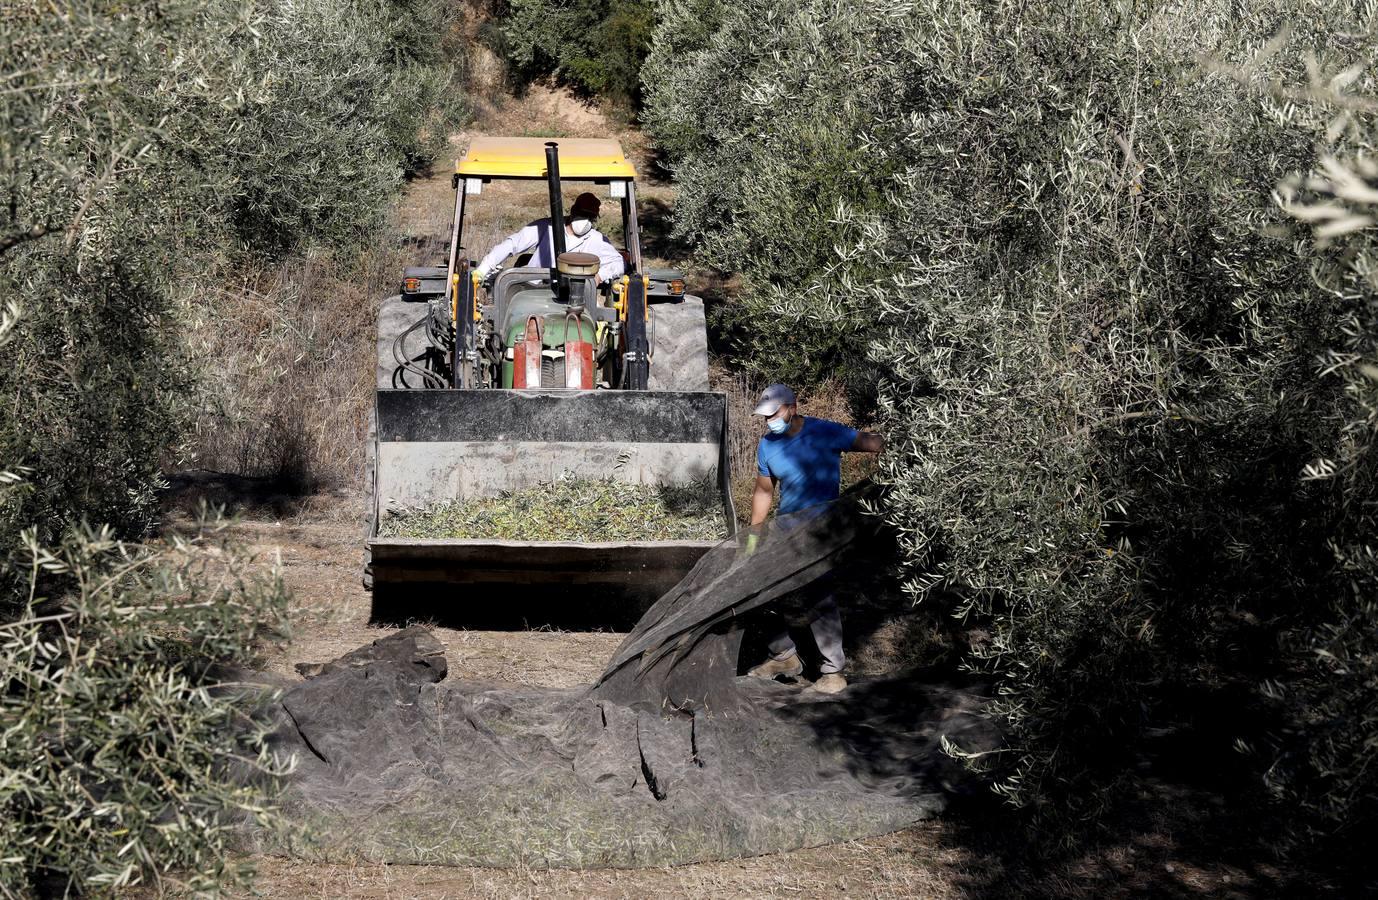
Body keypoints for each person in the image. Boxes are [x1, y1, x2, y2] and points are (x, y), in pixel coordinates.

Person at [745, 383, 885, 694]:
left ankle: (833, 671)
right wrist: (753, 537)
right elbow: (764, 492)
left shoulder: (824, 432)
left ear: (792, 408)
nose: (770, 421)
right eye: (765, 417)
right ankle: (782, 656)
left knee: (819, 594)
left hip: (822, 531)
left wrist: (904, 441)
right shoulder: (767, 445)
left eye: (774, 414)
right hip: (785, 531)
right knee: (761, 590)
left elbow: (870, 444)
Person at [475, 192, 625, 284]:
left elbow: (619, 263)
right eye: (582, 213)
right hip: (531, 289)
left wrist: (600, 275)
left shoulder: (596, 240)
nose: (585, 220)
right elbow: (512, 244)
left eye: (590, 217)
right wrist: (482, 270)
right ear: (573, 211)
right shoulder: (546, 227)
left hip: (571, 299)